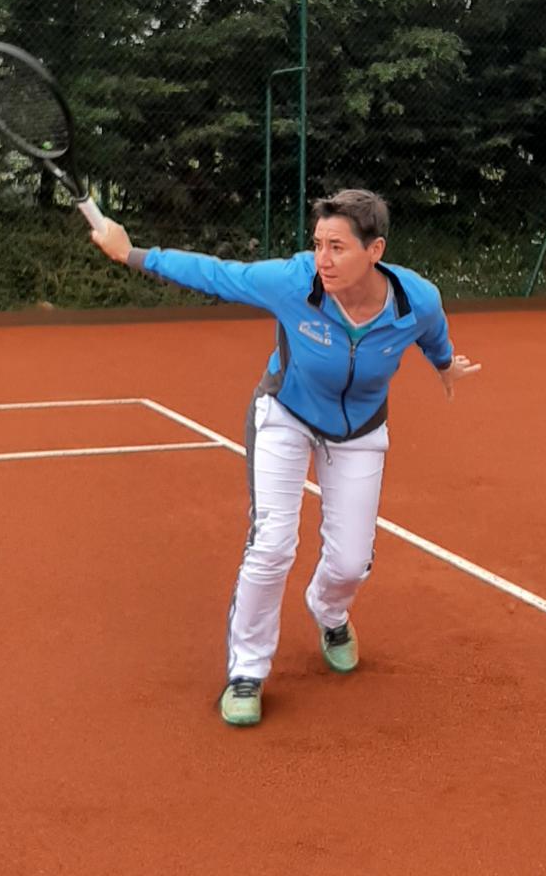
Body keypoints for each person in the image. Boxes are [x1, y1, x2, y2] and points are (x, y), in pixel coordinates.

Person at [91, 189, 480, 726]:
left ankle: (329, 612)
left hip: (360, 430)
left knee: (350, 563)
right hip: (286, 415)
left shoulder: (416, 298)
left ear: (375, 251)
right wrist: (131, 253)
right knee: (272, 545)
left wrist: (445, 364)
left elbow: (433, 335)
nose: (323, 259)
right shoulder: (295, 282)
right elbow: (217, 274)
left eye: (337, 247)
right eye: (318, 244)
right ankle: (247, 671)